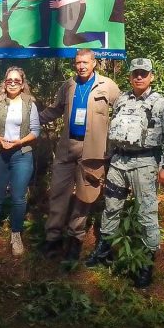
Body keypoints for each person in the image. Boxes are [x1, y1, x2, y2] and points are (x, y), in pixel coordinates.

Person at [85, 58, 164, 288]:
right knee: (111, 207)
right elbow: (113, 130)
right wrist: (108, 157)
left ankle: (146, 263)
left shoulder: (161, 104)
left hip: (145, 164)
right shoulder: (121, 100)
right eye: (135, 73)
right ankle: (105, 250)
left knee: (146, 213)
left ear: (151, 76)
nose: (139, 77)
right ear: (130, 76)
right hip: (119, 162)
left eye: (143, 73)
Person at [38, 48, 120, 260]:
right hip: (67, 146)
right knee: (58, 192)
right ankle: (53, 238)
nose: (81, 66)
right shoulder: (68, 85)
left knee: (85, 195)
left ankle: (75, 238)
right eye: (78, 63)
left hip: (93, 149)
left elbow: (122, 111)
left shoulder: (107, 86)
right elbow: (55, 109)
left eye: (85, 62)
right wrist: (31, 120)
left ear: (94, 63)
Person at [0, 67, 41, 256]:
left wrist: (19, 142)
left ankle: (16, 235)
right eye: (9, 80)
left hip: (22, 154)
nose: (12, 83)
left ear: (22, 84)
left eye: (16, 81)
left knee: (18, 197)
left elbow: (35, 130)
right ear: (5, 83)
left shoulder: (30, 103)